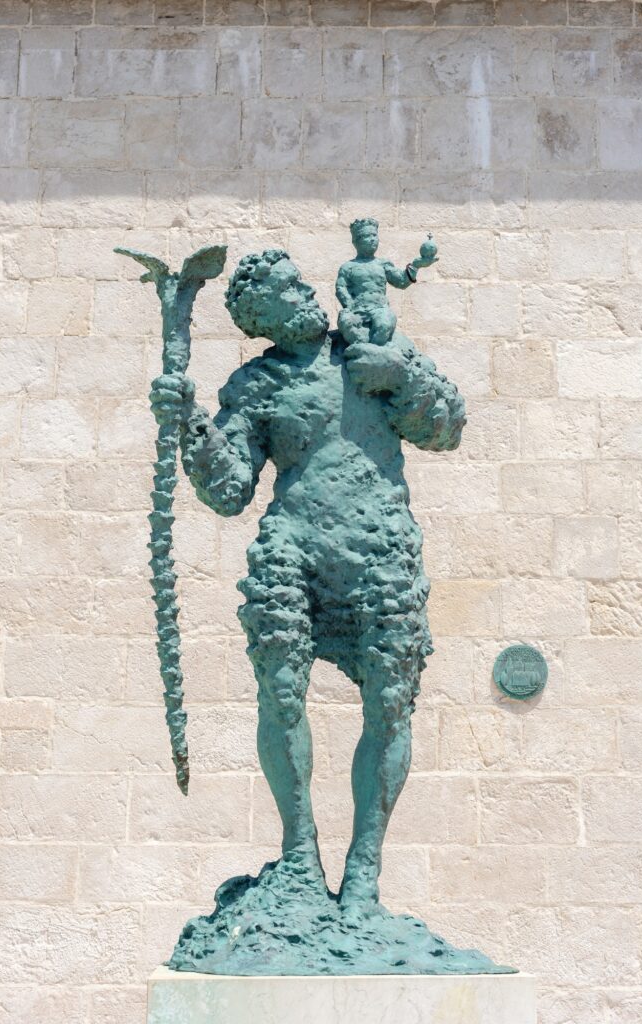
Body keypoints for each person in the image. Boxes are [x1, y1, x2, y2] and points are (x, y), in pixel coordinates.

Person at [149, 247, 465, 915]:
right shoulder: (257, 384)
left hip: (380, 547)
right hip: (292, 551)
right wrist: (190, 426)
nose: (308, 291)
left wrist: (399, 374)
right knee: (282, 695)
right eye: (288, 290)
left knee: (389, 705)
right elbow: (231, 489)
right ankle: (299, 855)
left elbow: (445, 427)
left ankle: (363, 872)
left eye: (301, 277)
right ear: (263, 318)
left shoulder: (369, 347)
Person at [335, 217, 438, 347]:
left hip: (380, 308)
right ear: (356, 241)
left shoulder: (383, 264)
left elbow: (401, 281)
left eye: (374, 235)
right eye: (367, 236)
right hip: (357, 309)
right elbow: (341, 288)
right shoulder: (347, 267)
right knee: (346, 322)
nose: (373, 239)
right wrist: (350, 306)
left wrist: (416, 265)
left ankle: (372, 354)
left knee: (384, 325)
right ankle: (359, 352)